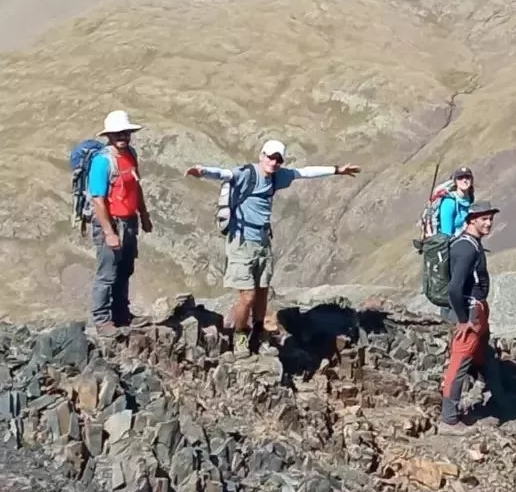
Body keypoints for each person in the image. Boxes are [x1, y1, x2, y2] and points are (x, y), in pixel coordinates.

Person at [185, 140, 360, 355]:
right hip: (242, 242)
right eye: (270, 157)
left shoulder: (278, 176)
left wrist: (337, 170)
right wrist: (202, 171)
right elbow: (225, 174)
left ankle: (258, 333)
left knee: (262, 292)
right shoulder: (247, 173)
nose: (274, 162)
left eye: (278, 159)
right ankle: (240, 335)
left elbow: (304, 173)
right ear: (262, 155)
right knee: (247, 296)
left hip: (262, 241)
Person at [88, 110, 154, 335]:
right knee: (107, 273)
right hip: (112, 222)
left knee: (125, 269)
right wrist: (109, 232)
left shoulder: (131, 155)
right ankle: (102, 320)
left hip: (129, 221)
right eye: (118, 133)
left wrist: (144, 215)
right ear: (109, 136)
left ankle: (122, 314)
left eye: (125, 132)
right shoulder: (102, 162)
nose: (122, 137)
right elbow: (97, 199)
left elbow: (136, 187)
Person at [440, 200, 504, 432]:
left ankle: (491, 398)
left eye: (490, 219)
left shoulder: (470, 243)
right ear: (471, 220)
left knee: (480, 355)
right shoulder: (466, 248)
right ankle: (449, 418)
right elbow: (455, 288)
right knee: (460, 361)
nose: (488, 223)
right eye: (483, 219)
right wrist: (463, 319)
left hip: (477, 311)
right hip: (470, 312)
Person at [437, 166, 475, 236]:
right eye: (460, 178)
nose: (464, 180)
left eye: (467, 177)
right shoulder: (449, 203)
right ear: (455, 182)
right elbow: (446, 234)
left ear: (471, 180)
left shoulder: (470, 199)